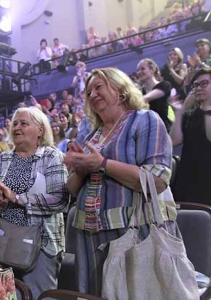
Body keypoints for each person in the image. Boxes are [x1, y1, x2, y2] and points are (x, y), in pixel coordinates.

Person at [64, 67, 178, 296]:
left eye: (99, 87)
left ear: (120, 89)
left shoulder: (145, 120)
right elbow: (72, 189)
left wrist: (102, 164)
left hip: (134, 234)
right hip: (90, 236)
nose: (92, 94)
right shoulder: (90, 136)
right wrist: (80, 168)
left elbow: (157, 180)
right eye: (88, 92)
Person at [0, 106, 69, 298]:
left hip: (40, 245)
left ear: (40, 130)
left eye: (24, 123)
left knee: (40, 295)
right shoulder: (5, 158)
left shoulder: (51, 156)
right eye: (15, 123)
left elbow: (60, 200)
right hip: (4, 240)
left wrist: (17, 198)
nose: (17, 127)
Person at [170, 68, 211, 205]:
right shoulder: (189, 116)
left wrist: (206, 106)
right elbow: (174, 141)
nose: (198, 88)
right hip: (188, 180)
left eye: (204, 83)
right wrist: (181, 111)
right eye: (195, 85)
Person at [137, 58, 173, 132]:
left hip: (164, 130)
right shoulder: (139, 92)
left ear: (152, 70)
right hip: (147, 132)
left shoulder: (164, 85)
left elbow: (146, 98)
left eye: (142, 69)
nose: (139, 72)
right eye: (138, 70)